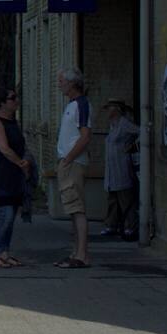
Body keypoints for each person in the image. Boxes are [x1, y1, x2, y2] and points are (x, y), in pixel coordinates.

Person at [54, 68, 93, 269]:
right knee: (72, 208)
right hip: (67, 162)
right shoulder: (71, 105)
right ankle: (75, 251)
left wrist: (68, 158)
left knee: (77, 208)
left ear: (72, 84)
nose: (59, 84)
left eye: (62, 81)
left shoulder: (82, 105)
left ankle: (82, 255)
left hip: (73, 164)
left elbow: (85, 136)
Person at [0, 87, 29, 268]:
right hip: (2, 174)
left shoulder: (14, 123)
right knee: (6, 213)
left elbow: (20, 145)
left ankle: (5, 252)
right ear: (2, 103)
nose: (16, 101)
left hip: (15, 176)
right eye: (12, 98)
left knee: (12, 214)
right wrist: (20, 163)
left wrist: (25, 163)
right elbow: (4, 148)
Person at [101, 99, 140, 242]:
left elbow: (141, 132)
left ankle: (131, 226)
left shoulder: (124, 124)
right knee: (112, 200)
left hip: (121, 167)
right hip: (111, 170)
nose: (107, 112)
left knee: (125, 200)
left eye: (109, 108)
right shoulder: (112, 126)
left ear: (116, 109)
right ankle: (111, 225)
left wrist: (133, 146)